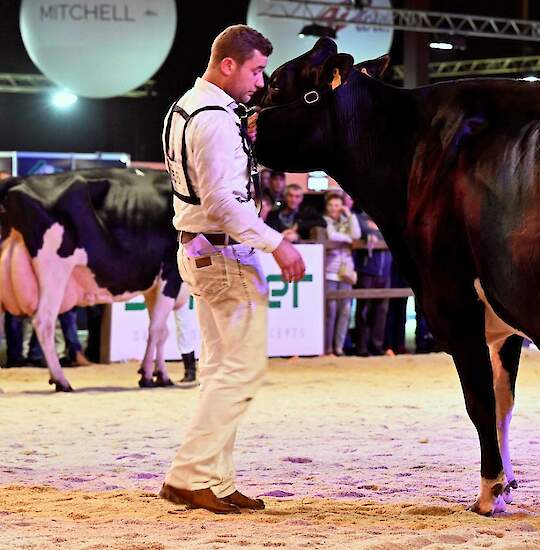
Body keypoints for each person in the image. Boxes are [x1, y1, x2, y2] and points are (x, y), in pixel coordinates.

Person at [159, 24, 305, 515]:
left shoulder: (186, 108)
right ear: (228, 65)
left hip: (200, 249)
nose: (261, 83)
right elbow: (222, 201)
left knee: (221, 370)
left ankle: (214, 480)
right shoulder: (215, 120)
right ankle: (188, 476)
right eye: (256, 70)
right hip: (225, 254)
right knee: (240, 369)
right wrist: (277, 243)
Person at [311, 192, 360, 356]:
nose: (334, 208)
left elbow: (357, 235)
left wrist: (349, 215)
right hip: (330, 272)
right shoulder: (325, 221)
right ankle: (327, 347)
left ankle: (338, 347)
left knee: (345, 311)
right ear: (327, 207)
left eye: (337, 205)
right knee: (330, 311)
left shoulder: (347, 221)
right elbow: (332, 236)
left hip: (346, 272)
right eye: (331, 205)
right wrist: (347, 240)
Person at [353, 211, 392, 356]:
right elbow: (360, 231)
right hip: (367, 271)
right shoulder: (360, 218)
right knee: (364, 309)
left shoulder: (386, 217)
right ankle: (362, 346)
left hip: (385, 272)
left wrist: (375, 232)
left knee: (381, 311)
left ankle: (377, 345)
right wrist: (372, 231)